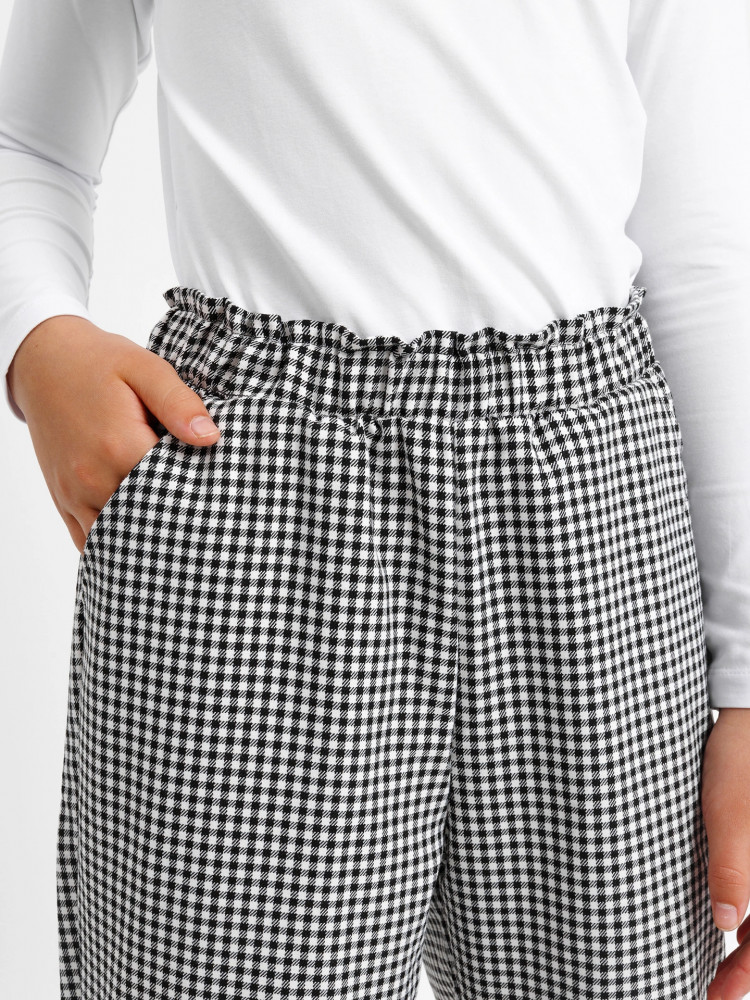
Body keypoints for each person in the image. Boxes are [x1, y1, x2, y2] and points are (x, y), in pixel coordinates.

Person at [0, 1, 749, 997]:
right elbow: (28, 140)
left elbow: (701, 248)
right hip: (261, 508)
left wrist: (747, 680)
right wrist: (39, 334)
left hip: (598, 537)